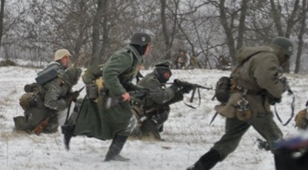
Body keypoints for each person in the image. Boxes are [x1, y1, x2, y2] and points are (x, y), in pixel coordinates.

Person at [187, 36, 293, 170]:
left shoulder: (254, 54)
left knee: (229, 140)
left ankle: (200, 166)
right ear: (283, 52)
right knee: (276, 139)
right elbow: (265, 80)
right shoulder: (269, 57)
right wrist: (280, 88)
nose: (286, 61)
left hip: (237, 101)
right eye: (287, 56)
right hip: (253, 105)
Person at [63, 32, 151, 161]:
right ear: (142, 45)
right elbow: (109, 73)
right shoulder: (125, 56)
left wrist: (139, 89)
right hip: (109, 94)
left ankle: (71, 130)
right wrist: (122, 92)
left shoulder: (133, 57)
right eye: (148, 46)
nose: (149, 49)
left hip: (112, 93)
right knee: (126, 122)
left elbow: (122, 79)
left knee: (109, 123)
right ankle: (112, 154)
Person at [14, 48, 81, 135]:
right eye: (65, 58)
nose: (68, 60)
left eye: (69, 58)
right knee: (51, 126)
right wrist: (64, 103)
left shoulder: (55, 70)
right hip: (43, 106)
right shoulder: (59, 75)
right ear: (59, 59)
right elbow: (50, 101)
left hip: (42, 104)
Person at [131, 60, 194, 139]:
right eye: (166, 74)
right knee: (162, 110)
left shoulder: (154, 80)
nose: (167, 76)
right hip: (136, 111)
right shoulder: (151, 81)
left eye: (169, 74)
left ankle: (149, 133)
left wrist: (183, 91)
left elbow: (164, 99)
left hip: (142, 109)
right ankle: (148, 135)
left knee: (163, 107)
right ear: (160, 72)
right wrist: (174, 87)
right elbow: (161, 98)